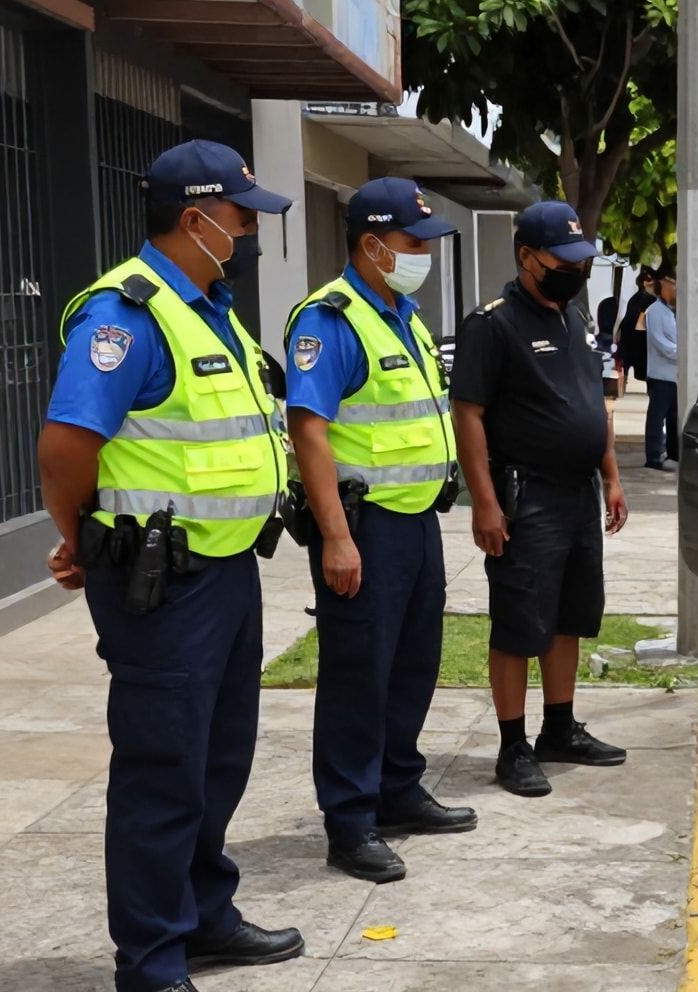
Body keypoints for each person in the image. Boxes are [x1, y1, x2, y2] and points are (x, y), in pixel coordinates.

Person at [37, 139, 304, 992]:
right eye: (239, 218)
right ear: (195, 220)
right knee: (161, 770)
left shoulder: (209, 306)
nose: (248, 233)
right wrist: (79, 534)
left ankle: (204, 916)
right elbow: (67, 444)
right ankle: (152, 958)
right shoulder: (128, 315)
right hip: (161, 584)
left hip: (225, 571)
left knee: (218, 758)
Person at [283, 178, 477, 884]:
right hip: (364, 528)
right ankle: (351, 821)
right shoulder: (330, 319)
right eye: (412, 242)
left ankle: (398, 787)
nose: (423, 253)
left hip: (416, 521)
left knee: (412, 664)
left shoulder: (405, 315)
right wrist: (335, 536)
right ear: (371, 244)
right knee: (358, 677)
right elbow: (309, 429)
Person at [448, 200, 630, 797]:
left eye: (583, 259)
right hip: (526, 498)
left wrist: (611, 474)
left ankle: (560, 727)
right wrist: (483, 501)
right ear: (528, 257)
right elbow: (468, 414)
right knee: (519, 624)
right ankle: (512, 745)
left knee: (568, 617)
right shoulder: (493, 324)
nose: (576, 269)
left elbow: (592, 404)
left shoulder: (574, 319)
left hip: (578, 494)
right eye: (565, 258)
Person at [644, 266, 680, 470]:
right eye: (672, 285)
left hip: (673, 375)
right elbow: (661, 343)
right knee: (657, 417)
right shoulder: (656, 311)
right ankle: (653, 457)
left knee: (673, 417)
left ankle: (674, 454)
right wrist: (683, 354)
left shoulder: (670, 311)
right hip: (660, 375)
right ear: (663, 286)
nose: (675, 289)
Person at [616, 266, 658, 395]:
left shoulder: (634, 299)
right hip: (641, 338)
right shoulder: (650, 300)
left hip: (631, 337)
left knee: (628, 362)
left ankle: (623, 385)